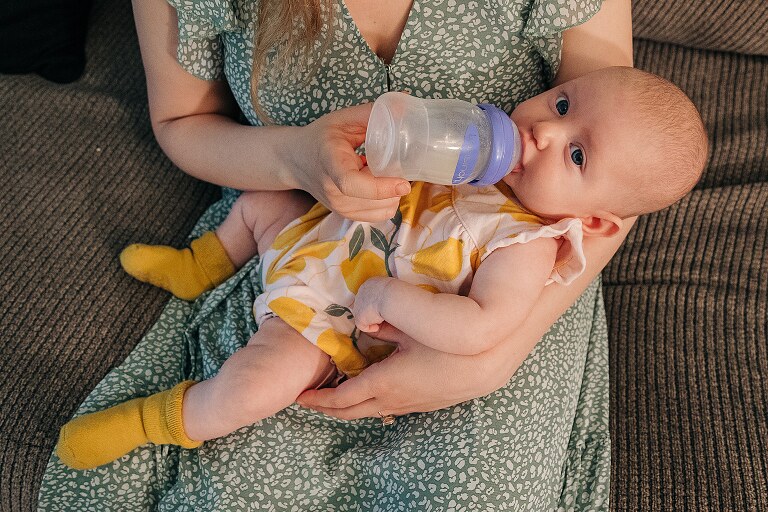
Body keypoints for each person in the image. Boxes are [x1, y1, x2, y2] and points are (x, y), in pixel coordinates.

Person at [40, 0, 640, 508]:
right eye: (558, 108)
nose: (544, 132)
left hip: (486, 302)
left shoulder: (530, 244)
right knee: (240, 461)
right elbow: (183, 119)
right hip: (318, 237)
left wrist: (490, 359)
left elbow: (626, 165)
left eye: (573, 150)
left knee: (472, 492)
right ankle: (193, 294)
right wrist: (293, 158)